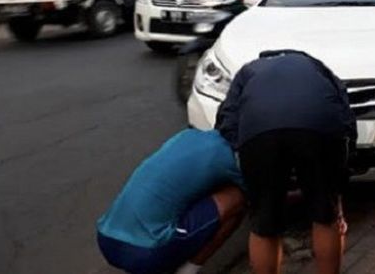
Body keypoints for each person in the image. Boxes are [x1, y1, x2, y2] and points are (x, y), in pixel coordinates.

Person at [216, 50, 356, 274]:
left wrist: (245, 156)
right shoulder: (317, 66)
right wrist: (340, 170)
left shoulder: (248, 71)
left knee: (264, 224)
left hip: (259, 132)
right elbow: (344, 113)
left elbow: (228, 119)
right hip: (317, 125)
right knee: (325, 215)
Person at [96, 129, 246, 274]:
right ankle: (187, 271)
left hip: (105, 237)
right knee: (239, 198)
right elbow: (260, 194)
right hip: (147, 252)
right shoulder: (228, 156)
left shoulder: (186, 135)